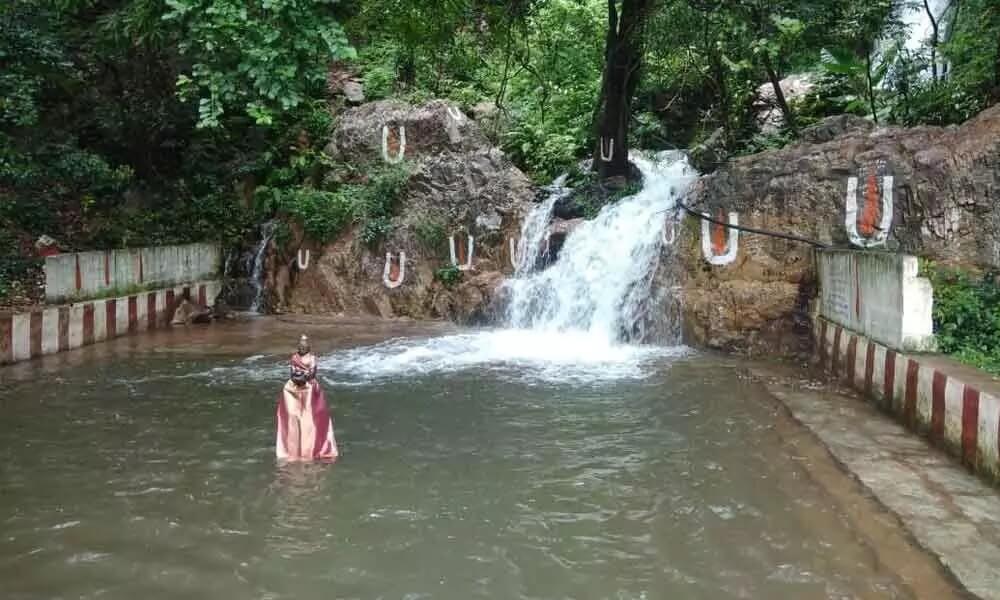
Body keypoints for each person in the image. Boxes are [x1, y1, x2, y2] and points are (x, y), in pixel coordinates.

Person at [275, 335, 339, 461]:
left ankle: (311, 445)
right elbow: (292, 371)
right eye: (300, 347)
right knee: (292, 414)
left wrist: (305, 377)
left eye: (304, 348)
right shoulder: (295, 357)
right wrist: (296, 377)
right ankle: (291, 444)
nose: (302, 349)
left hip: (309, 386)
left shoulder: (312, 358)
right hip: (294, 385)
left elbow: (313, 372)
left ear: (308, 348)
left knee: (309, 416)